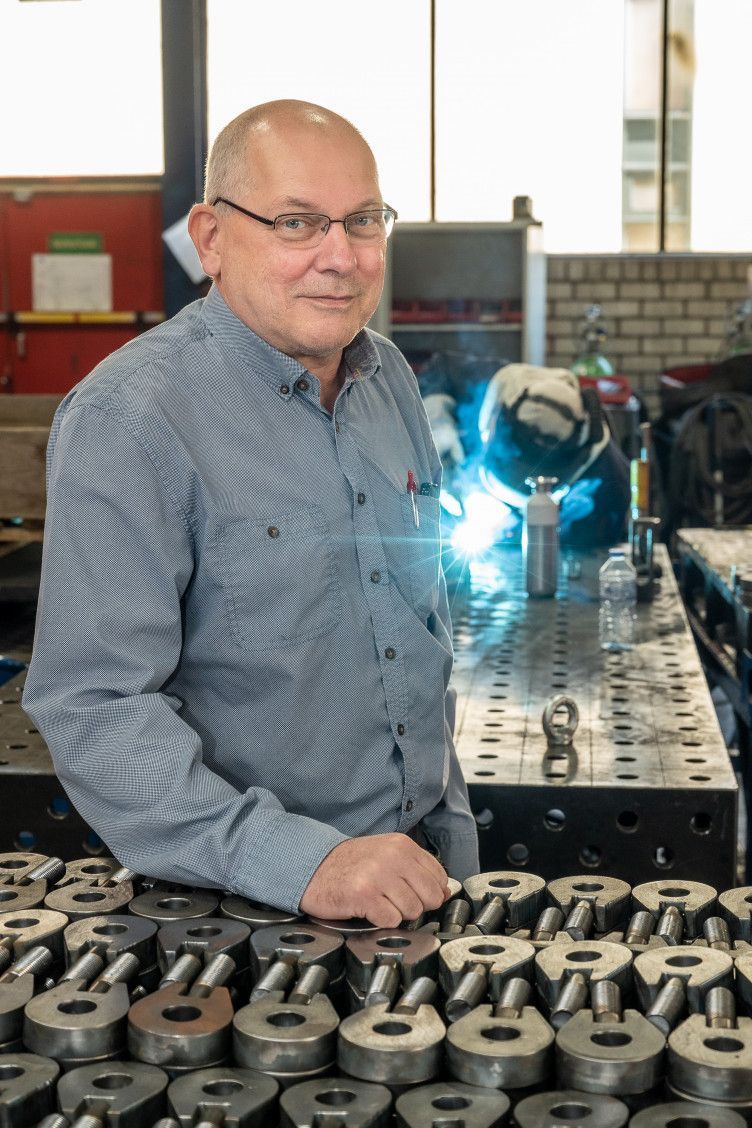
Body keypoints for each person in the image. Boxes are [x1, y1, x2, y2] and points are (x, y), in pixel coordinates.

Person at [22, 100, 479, 928]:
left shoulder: (392, 385)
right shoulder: (131, 420)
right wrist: (302, 863)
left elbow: (422, 634)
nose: (339, 257)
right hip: (237, 911)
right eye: (297, 223)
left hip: (413, 882)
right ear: (211, 238)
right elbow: (93, 707)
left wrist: (452, 834)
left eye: (364, 220)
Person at [426, 363, 631, 547]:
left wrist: (566, 528)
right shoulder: (485, 385)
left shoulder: (608, 473)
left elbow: (606, 537)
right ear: (493, 422)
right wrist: (436, 422)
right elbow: (438, 371)